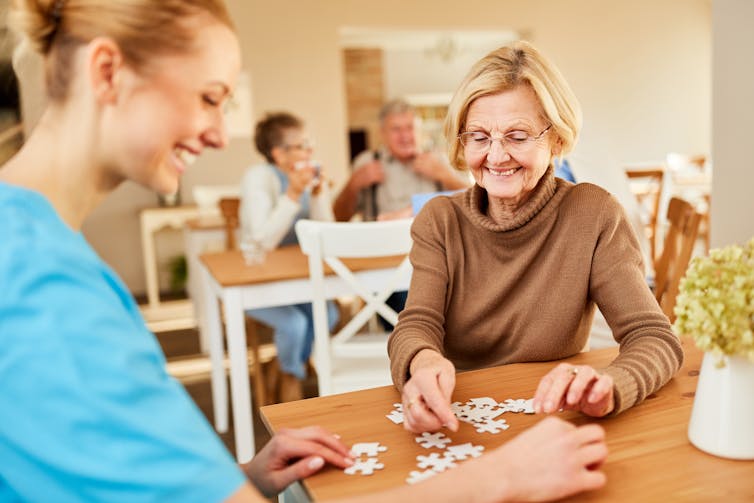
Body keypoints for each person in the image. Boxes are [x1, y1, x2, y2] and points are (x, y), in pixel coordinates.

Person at [0, 2, 608, 501]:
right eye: (211, 97)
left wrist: (236, 481)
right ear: (107, 71)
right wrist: (497, 479)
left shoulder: (26, 242)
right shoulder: (40, 287)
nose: (217, 132)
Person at [387, 41, 684, 434]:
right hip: (457, 421)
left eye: (517, 135)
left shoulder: (593, 214)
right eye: (478, 136)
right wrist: (423, 361)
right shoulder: (439, 221)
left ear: (557, 139)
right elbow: (415, 324)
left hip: (552, 421)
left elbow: (654, 337)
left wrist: (611, 384)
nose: (496, 156)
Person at [239, 112, 339, 402]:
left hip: (298, 278)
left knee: (329, 315)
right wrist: (293, 194)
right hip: (257, 278)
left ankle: (283, 368)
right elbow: (263, 240)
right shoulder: (258, 178)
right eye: (302, 146)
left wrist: (318, 194)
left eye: (310, 146)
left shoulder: (305, 178)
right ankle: (291, 376)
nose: (310, 152)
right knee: (294, 324)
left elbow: (325, 234)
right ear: (278, 154)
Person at [333, 98, 470, 222]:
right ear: (383, 133)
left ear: (419, 130)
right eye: (396, 129)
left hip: (432, 245)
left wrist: (444, 175)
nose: (405, 136)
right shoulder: (366, 162)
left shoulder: (439, 160)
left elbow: (474, 200)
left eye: (410, 128)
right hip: (382, 246)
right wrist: (353, 184)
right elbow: (339, 217)